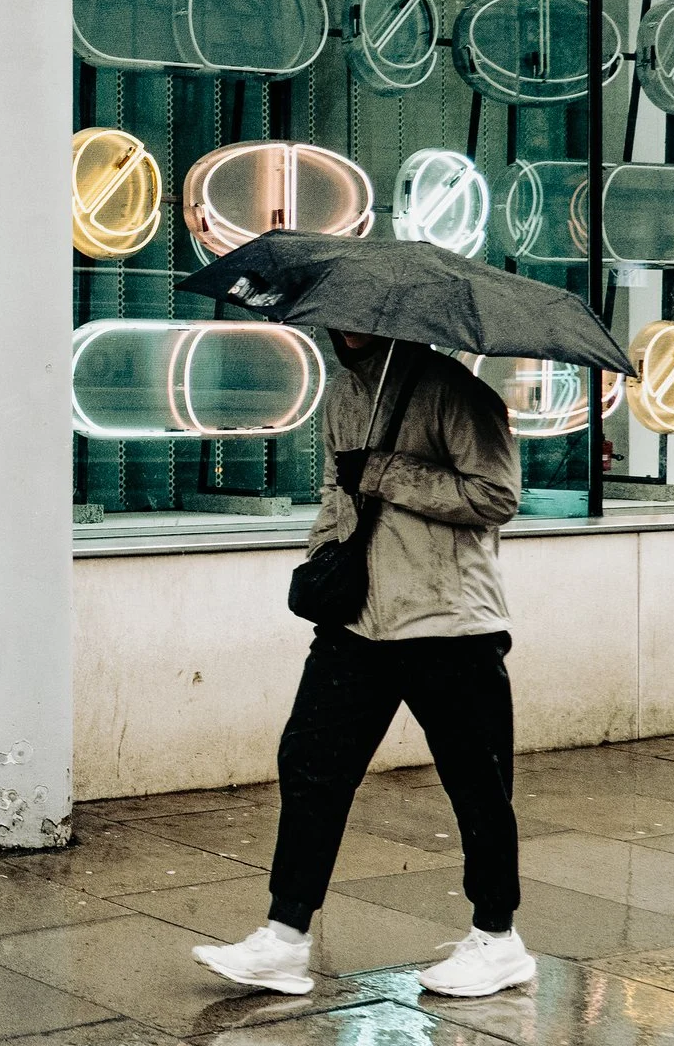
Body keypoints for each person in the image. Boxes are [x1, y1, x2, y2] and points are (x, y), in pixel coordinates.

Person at [194, 330, 533, 999]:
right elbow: (334, 490)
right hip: (359, 620)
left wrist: (386, 473)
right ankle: (285, 939)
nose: (347, 331)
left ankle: (498, 938)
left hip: (449, 621)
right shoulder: (346, 392)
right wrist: (323, 555)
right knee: (310, 762)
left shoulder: (457, 394)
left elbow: (497, 494)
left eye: (360, 321)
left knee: (476, 783)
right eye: (340, 320)